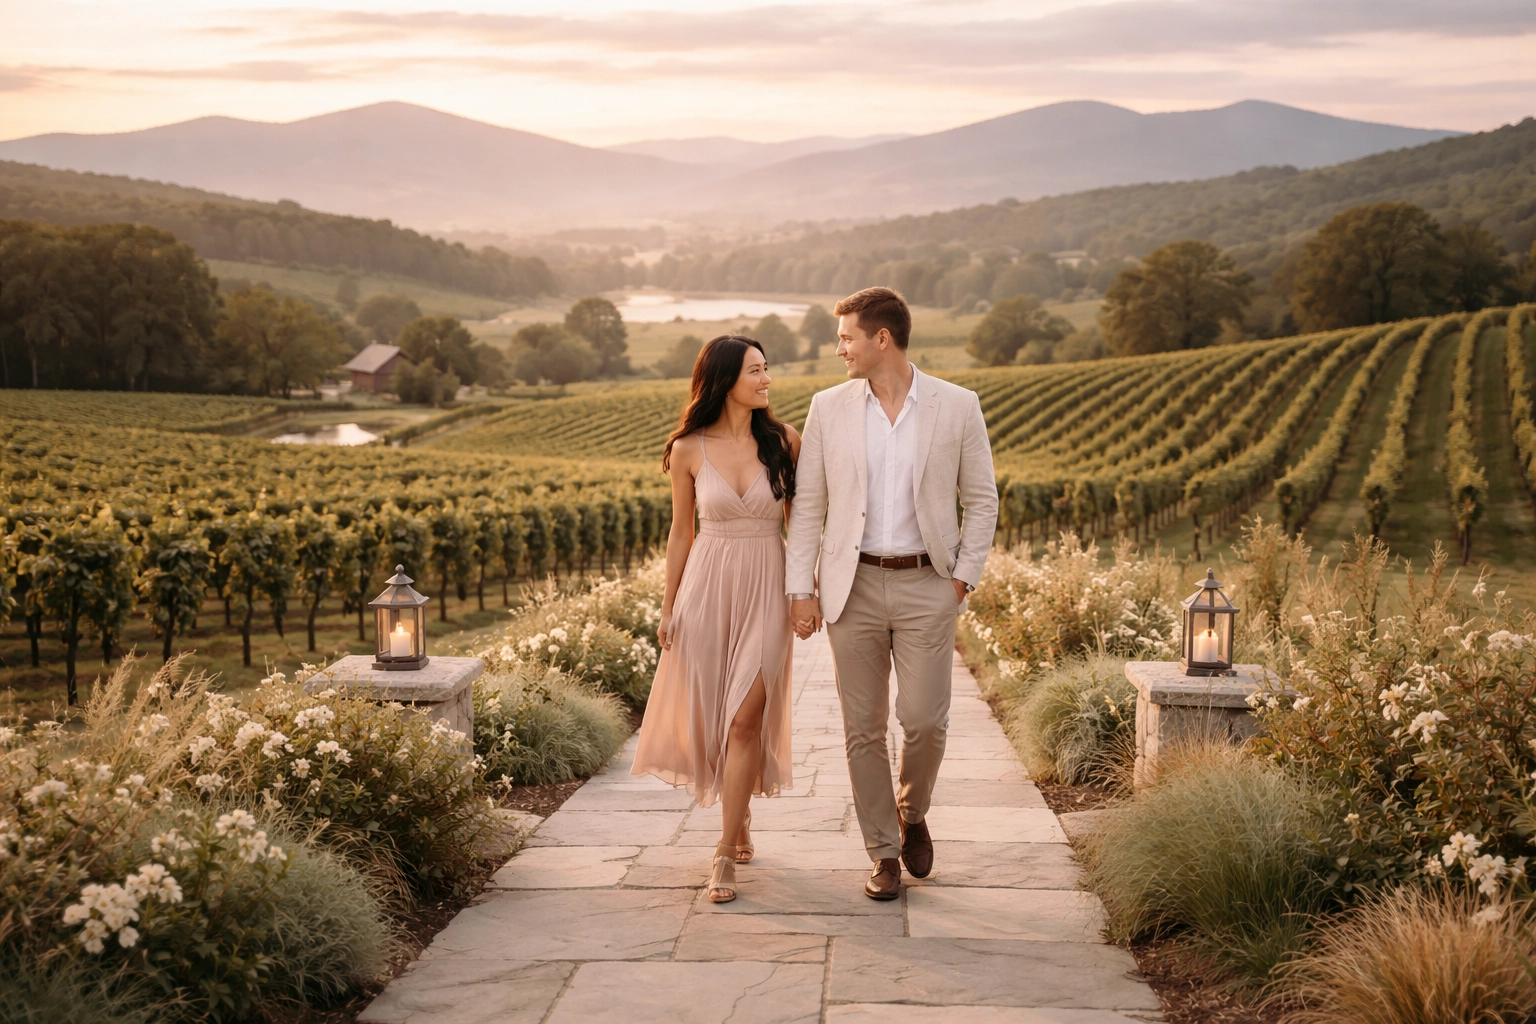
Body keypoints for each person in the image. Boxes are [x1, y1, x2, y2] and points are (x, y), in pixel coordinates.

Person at [785, 287, 997, 899]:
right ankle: (881, 852)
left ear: (882, 339)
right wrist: (803, 588)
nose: (839, 347)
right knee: (862, 728)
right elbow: (810, 509)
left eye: (847, 336)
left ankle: (914, 811)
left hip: (929, 583)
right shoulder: (828, 408)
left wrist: (963, 576)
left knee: (925, 721)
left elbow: (982, 499)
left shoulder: (957, 406)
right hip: (851, 588)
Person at [632, 335, 801, 903]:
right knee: (715, 715)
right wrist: (667, 606)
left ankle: (723, 853)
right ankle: (738, 817)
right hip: (707, 586)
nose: (766, 379)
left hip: (768, 587)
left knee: (745, 719)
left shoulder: (785, 443)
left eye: (766, 369)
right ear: (725, 378)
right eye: (755, 370)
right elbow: (682, 533)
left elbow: (802, 528)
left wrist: (809, 591)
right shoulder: (687, 448)